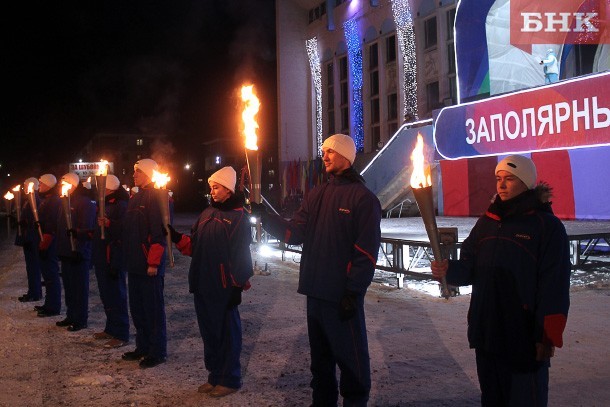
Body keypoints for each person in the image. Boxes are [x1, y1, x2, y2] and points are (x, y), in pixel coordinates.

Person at [252, 134, 382, 406]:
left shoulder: (363, 199)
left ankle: (355, 401)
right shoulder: (317, 194)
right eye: (323, 151)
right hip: (315, 291)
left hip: (342, 295)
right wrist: (266, 217)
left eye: (330, 151)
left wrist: (353, 290)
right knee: (320, 361)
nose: (324, 156)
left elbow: (366, 252)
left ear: (346, 155)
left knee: (351, 359)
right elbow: (295, 232)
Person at [431, 155, 571, 407]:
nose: (501, 185)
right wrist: (448, 269)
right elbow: (469, 268)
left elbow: (555, 285)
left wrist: (547, 336)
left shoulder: (546, 226)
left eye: (509, 179)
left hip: (524, 336)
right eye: (498, 179)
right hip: (487, 331)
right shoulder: (487, 222)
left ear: (526, 182)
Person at [167, 166, 253, 398]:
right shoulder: (207, 214)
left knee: (226, 333)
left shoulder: (239, 217)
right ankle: (215, 375)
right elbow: (194, 246)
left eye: (216, 188)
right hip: (202, 282)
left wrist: (237, 285)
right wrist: (176, 238)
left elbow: (242, 255)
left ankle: (230, 378)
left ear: (227, 189)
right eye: (211, 188)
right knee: (209, 333)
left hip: (224, 286)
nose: (212, 192)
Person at [121, 158, 168, 368]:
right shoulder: (135, 198)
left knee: (153, 310)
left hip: (149, 266)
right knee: (138, 309)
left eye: (138, 171)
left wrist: (154, 263)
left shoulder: (155, 197)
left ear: (149, 174)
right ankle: (143, 346)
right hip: (134, 264)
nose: (134, 175)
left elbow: (158, 234)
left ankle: (157, 351)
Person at [92, 174, 130, 348]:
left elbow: (126, 229)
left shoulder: (121, 205)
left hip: (114, 256)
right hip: (102, 255)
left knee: (117, 295)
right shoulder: (103, 203)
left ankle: (121, 333)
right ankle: (110, 328)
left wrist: (109, 224)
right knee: (106, 294)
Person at [55, 172, 96, 332]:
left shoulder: (84, 202)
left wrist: (79, 247)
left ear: (72, 184)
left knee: (79, 287)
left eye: (64, 183)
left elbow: (87, 228)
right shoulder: (64, 200)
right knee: (69, 286)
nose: (61, 186)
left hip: (78, 252)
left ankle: (80, 318)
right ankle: (71, 315)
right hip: (66, 251)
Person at [36, 174, 63, 318]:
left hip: (50, 243)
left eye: (41, 183)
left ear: (48, 185)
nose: (39, 185)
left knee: (51, 275)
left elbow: (51, 225)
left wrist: (45, 243)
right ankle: (49, 303)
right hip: (46, 242)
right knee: (47, 275)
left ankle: (53, 306)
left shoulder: (53, 201)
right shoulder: (47, 200)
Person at [15, 177, 42, 303]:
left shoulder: (35, 199)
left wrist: (26, 223)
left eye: (26, 185)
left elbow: (35, 218)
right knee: (30, 267)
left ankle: (35, 293)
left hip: (32, 238)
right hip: (28, 237)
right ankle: (33, 291)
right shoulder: (28, 199)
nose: (24, 187)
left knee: (33, 266)